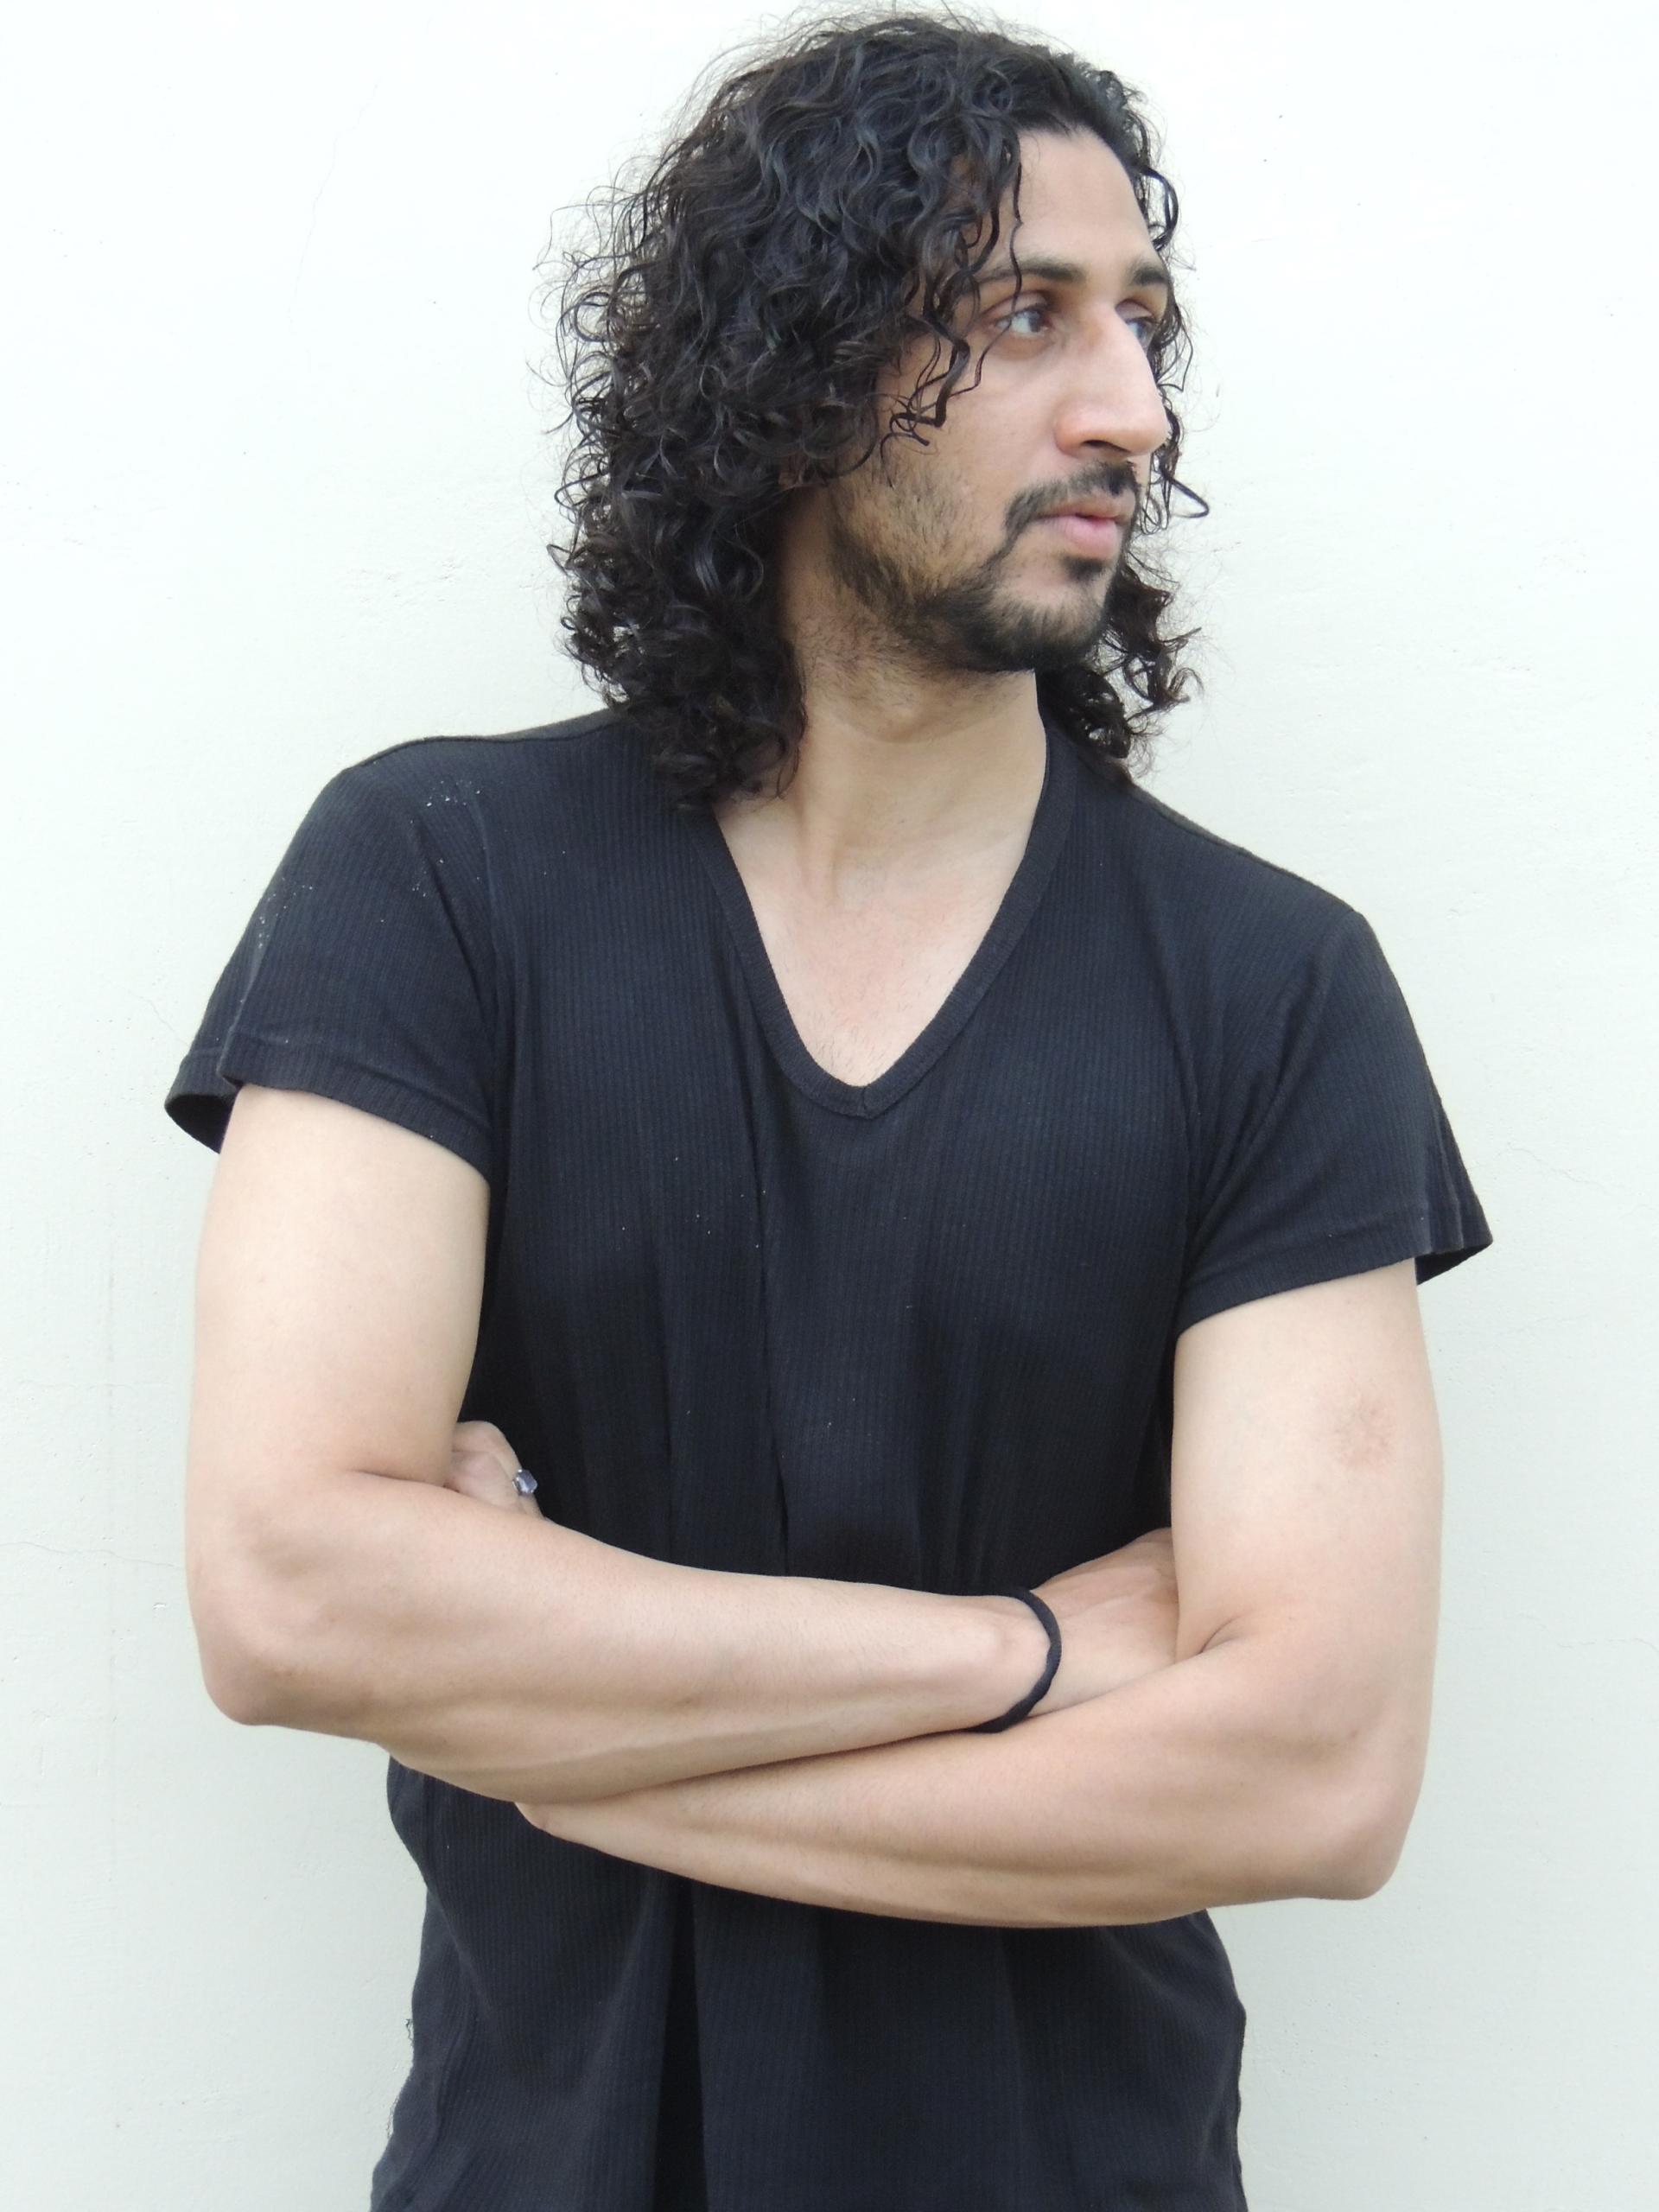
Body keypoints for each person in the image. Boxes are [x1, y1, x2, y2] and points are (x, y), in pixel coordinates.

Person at [162, 9, 1494, 2208]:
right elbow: (291, 1594)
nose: (1133, 409)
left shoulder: (1273, 988)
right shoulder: (434, 878)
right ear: (789, 370)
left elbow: (1318, 1769)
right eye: (1027, 315)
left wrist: (578, 1747)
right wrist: (1028, 1648)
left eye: (1145, 323)